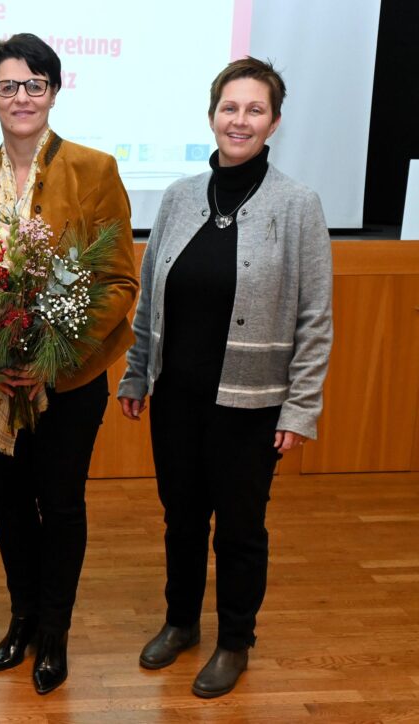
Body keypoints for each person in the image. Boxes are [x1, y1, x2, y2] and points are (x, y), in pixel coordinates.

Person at [118, 57, 333, 698]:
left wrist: (299, 411)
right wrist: (136, 374)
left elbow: (316, 318)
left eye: (255, 110)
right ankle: (180, 622)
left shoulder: (298, 205)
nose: (240, 120)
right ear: (212, 115)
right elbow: (152, 298)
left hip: (252, 404)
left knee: (240, 529)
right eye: (230, 108)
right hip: (177, 398)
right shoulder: (181, 196)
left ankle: (235, 640)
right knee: (181, 519)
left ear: (274, 122)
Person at [0, 33, 138, 695]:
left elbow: (117, 284)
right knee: (7, 499)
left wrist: (53, 359)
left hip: (69, 380)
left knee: (60, 503)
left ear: (54, 90)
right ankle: (21, 618)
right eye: (7, 86)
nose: (21, 97)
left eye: (34, 84)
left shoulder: (95, 169)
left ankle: (54, 631)